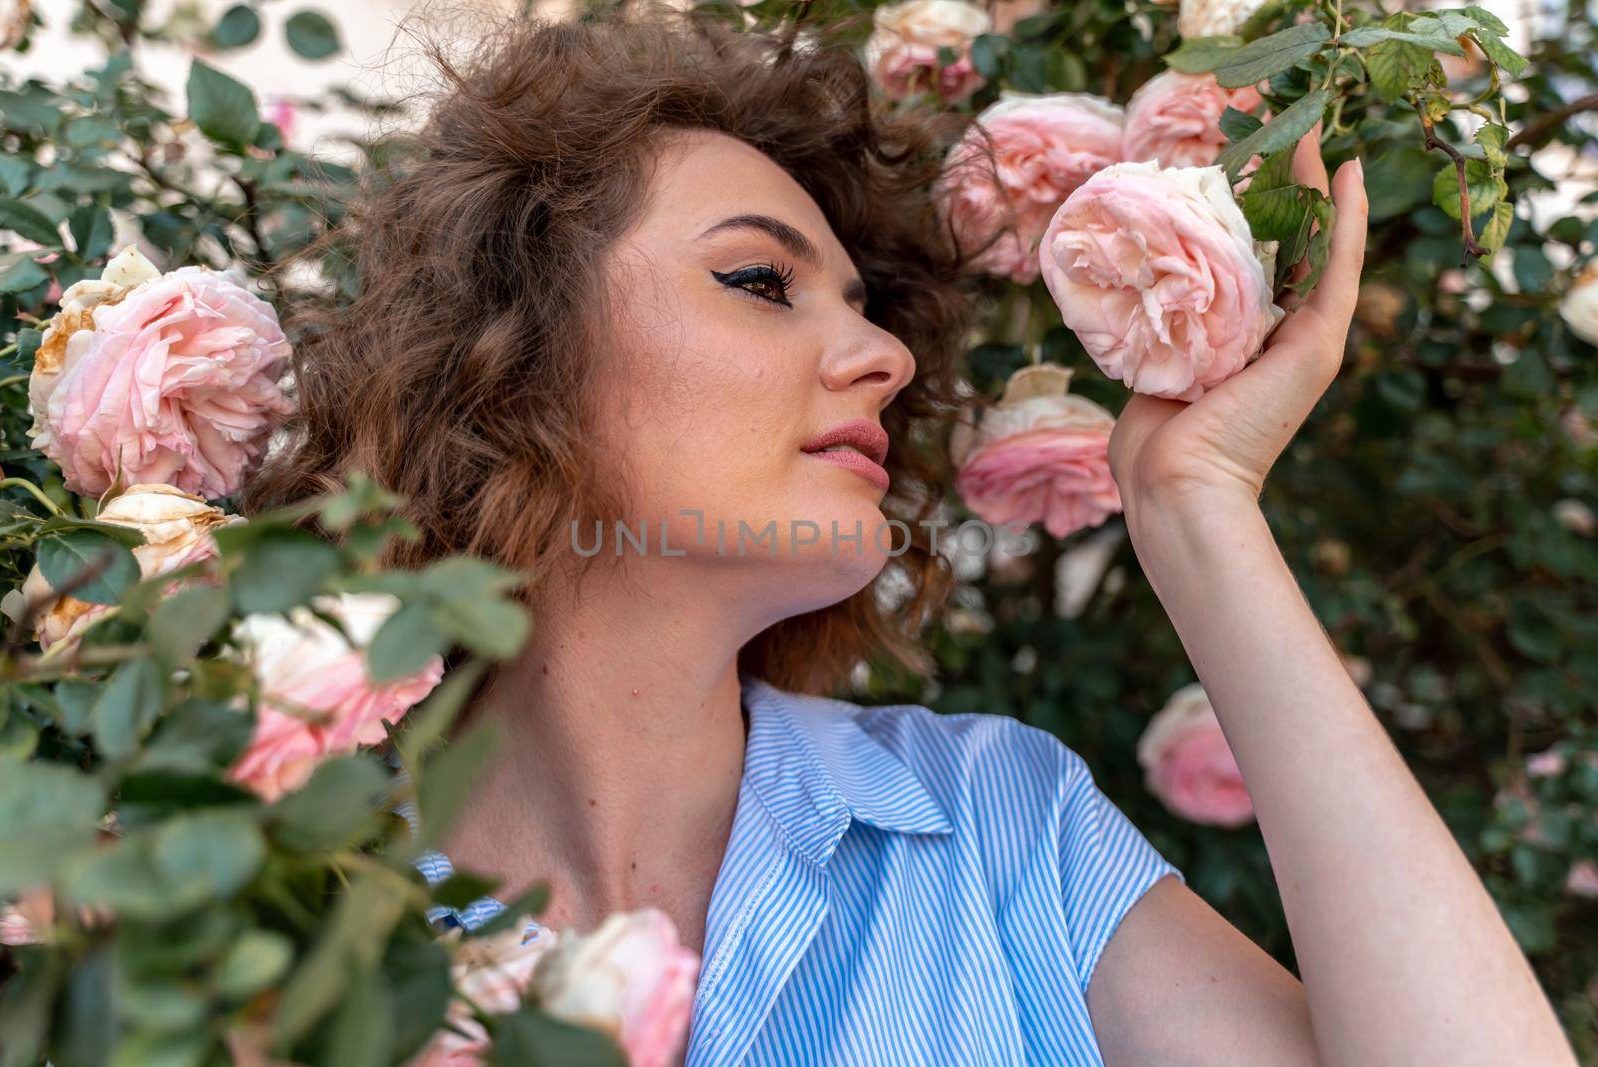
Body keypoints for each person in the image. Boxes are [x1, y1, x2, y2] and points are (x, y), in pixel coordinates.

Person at [244, 8, 1578, 1066]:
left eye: (870, 307)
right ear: (516, 361)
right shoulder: (262, 892)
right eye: (759, 280)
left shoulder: (995, 826)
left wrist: (1198, 510)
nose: (882, 353)